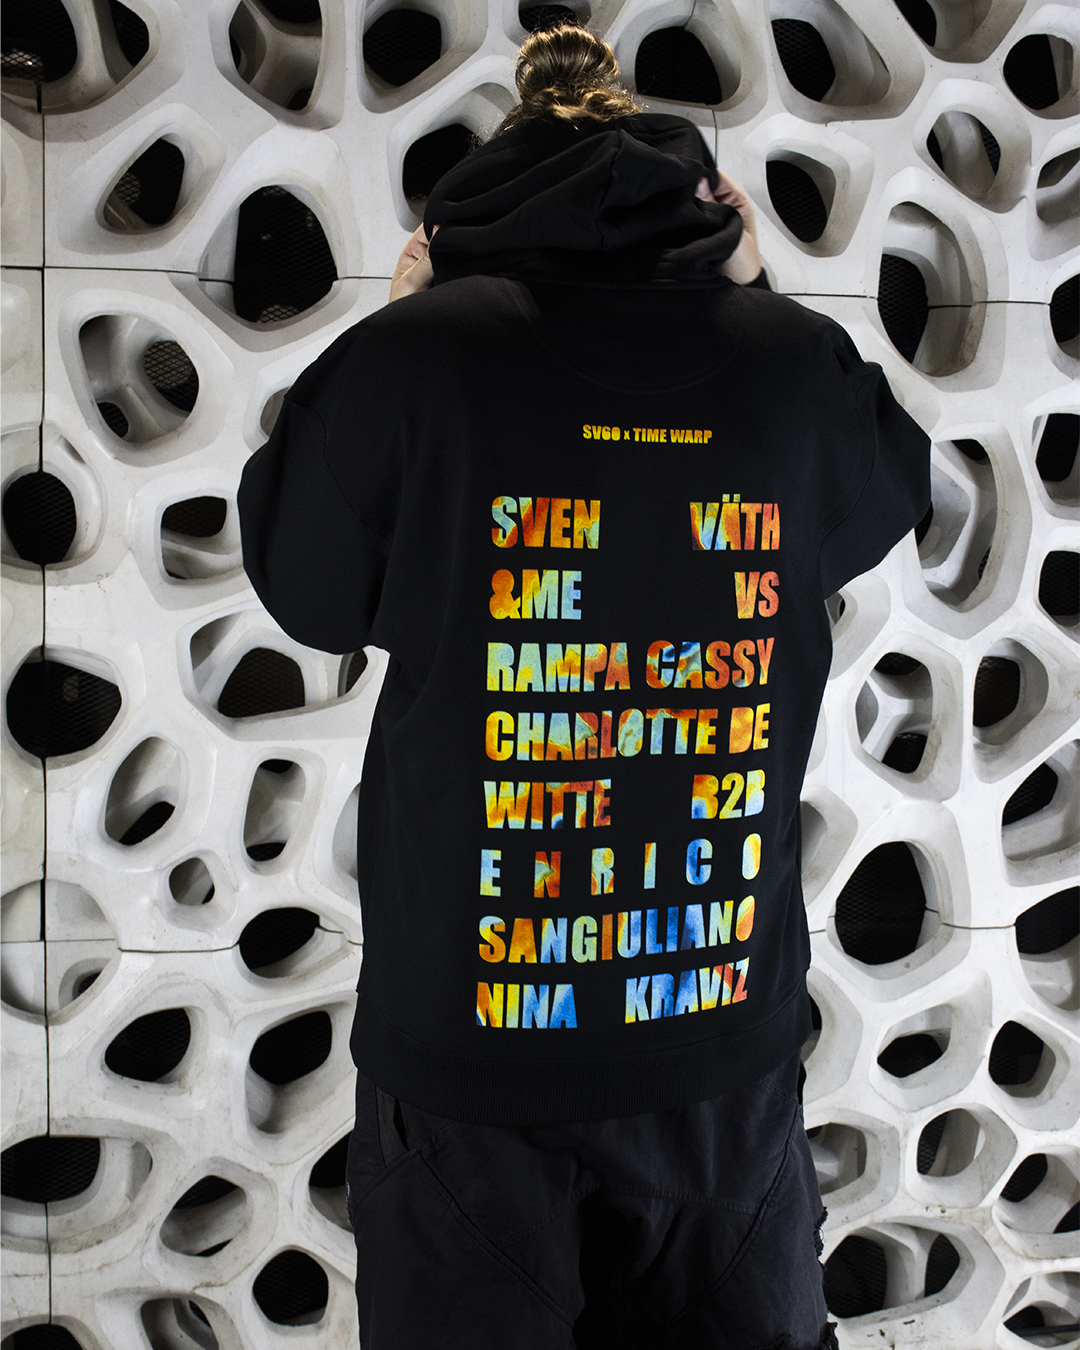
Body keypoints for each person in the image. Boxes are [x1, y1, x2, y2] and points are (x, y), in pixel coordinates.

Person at [238, 25, 929, 1349]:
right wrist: (763, 291)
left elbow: (306, 585)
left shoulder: (416, 365)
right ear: (693, 195)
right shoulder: (793, 367)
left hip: (471, 1055)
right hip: (717, 1044)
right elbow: (886, 491)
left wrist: (401, 325)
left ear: (478, 199)